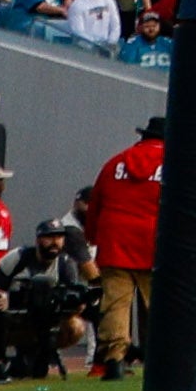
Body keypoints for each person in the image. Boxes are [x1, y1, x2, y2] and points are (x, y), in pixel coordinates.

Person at [80, 125, 163, 377]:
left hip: (115, 242)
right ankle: (158, 360)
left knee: (115, 305)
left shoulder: (116, 162)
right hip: (153, 242)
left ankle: (114, 359)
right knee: (157, 306)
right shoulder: (174, 163)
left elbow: (96, 203)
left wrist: (92, 237)